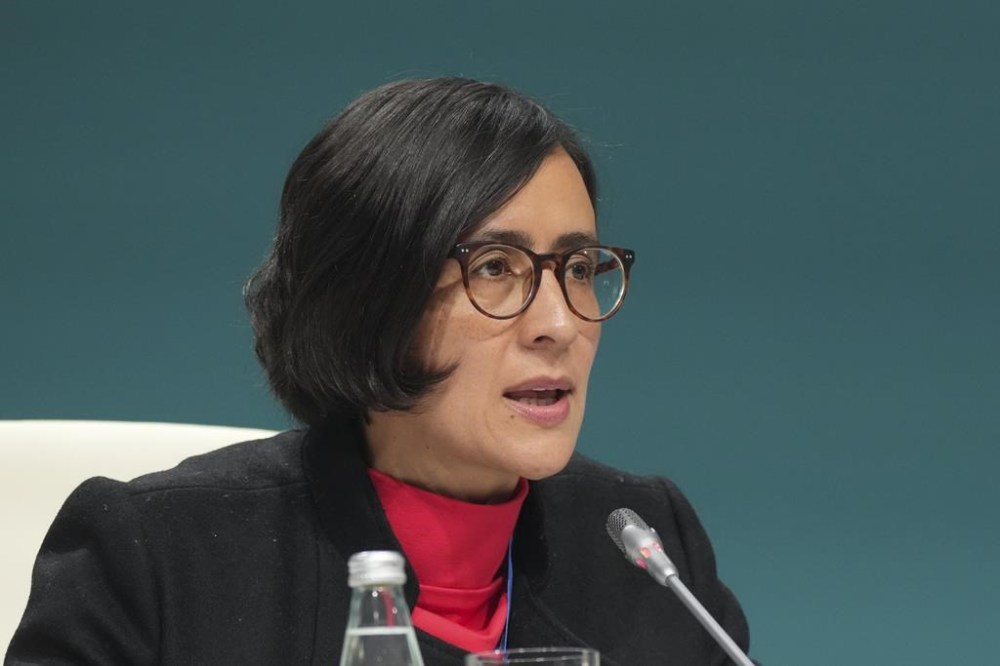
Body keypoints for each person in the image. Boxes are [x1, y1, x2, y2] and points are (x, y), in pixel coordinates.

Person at [6, 78, 752, 665]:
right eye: (497, 268)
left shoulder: (647, 550)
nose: (560, 324)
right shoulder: (162, 557)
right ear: (369, 299)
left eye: (580, 267)